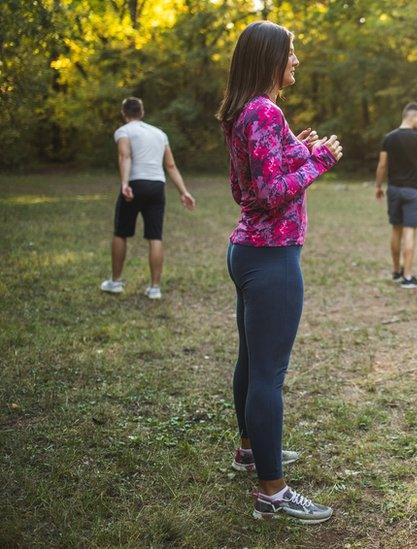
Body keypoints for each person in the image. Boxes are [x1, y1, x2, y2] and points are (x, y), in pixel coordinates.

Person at [216, 20, 343, 524]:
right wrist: (321, 161)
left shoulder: (242, 110)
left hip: (246, 250)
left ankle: (250, 450)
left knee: (251, 362)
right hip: (271, 257)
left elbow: (252, 182)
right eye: (290, 53)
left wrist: (301, 150)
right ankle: (273, 491)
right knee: (268, 375)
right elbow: (271, 193)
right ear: (270, 58)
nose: (296, 61)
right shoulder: (265, 111)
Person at [99, 97, 195, 299]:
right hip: (157, 186)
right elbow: (170, 166)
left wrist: (125, 183)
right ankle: (155, 288)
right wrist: (184, 191)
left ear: (124, 113)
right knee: (155, 236)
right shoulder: (160, 134)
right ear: (141, 112)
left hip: (135, 184)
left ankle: (115, 283)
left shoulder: (124, 131)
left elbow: (125, 156)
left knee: (121, 232)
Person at [374, 102, 417, 289]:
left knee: (396, 229)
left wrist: (378, 185)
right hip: (413, 191)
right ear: (412, 115)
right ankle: (408, 277)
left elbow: (382, 166)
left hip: (393, 190)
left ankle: (396, 272)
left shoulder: (389, 138)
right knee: (409, 232)